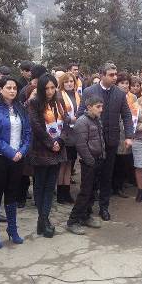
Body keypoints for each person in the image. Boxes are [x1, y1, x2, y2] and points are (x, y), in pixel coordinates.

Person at [78, 63, 133, 220]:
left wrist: (129, 136)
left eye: (115, 74)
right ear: (102, 75)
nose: (115, 77)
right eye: (111, 75)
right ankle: (87, 209)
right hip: (93, 143)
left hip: (111, 141)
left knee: (107, 176)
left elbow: (127, 115)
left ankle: (104, 207)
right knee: (91, 177)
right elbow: (81, 113)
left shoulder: (120, 93)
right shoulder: (89, 91)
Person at [0, 77, 31, 248]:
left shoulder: (21, 108)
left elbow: (28, 134)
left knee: (12, 194)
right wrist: (11, 153)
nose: (12, 91)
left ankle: (12, 229)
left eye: (14, 88)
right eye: (8, 87)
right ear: (0, 89)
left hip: (17, 160)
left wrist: (21, 152)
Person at [28, 74, 69, 237]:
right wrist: (51, 143)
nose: (50, 91)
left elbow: (66, 123)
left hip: (58, 149)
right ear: (41, 89)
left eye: (53, 87)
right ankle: (43, 219)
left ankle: (43, 220)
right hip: (41, 150)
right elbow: (36, 126)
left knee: (51, 186)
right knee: (40, 186)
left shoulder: (59, 101)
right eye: (47, 88)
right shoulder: (34, 103)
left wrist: (60, 140)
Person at [66, 95, 105, 235]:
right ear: (89, 107)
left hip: (97, 160)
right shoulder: (82, 122)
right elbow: (81, 145)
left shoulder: (96, 120)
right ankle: (72, 221)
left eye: (102, 106)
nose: (101, 109)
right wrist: (90, 161)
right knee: (85, 192)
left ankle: (86, 215)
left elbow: (100, 140)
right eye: (98, 107)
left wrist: (102, 156)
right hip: (89, 162)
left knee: (93, 191)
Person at [56, 72, 80, 205]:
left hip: (75, 134)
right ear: (62, 83)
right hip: (64, 133)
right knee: (62, 164)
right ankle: (61, 193)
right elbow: (61, 115)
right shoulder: (59, 96)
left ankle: (67, 191)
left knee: (70, 163)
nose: (69, 84)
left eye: (71, 81)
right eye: (66, 82)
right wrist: (72, 119)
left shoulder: (77, 95)